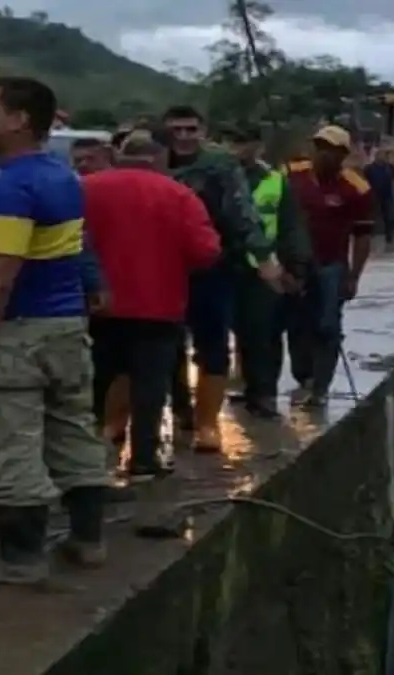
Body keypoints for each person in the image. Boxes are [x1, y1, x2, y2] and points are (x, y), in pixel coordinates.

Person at [0, 76, 109, 584]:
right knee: (72, 429)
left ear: (18, 120)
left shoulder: (10, 188)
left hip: (14, 333)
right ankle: (87, 540)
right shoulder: (58, 175)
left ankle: (20, 559)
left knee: (8, 441)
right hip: (64, 325)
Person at [83, 130, 220, 479]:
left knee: (90, 387)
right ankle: (143, 459)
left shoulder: (86, 188)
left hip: (95, 306)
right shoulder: (178, 194)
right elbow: (206, 251)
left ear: (120, 155)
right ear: (159, 158)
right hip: (158, 307)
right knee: (149, 387)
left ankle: (78, 463)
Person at [162, 105, 282, 452]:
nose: (183, 137)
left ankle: (207, 422)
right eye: (176, 130)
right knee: (165, 346)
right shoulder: (154, 162)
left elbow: (243, 212)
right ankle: (181, 411)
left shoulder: (220, 165)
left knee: (212, 344)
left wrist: (264, 258)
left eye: (190, 129)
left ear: (203, 130)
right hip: (162, 268)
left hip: (213, 265)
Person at [226, 123, 312, 418]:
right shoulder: (218, 179)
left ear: (259, 146)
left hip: (265, 269)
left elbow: (291, 226)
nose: (239, 149)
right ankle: (245, 385)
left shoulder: (276, 181)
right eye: (234, 142)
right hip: (225, 265)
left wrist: (296, 266)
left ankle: (264, 393)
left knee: (265, 332)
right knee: (235, 333)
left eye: (246, 142)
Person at [285, 126, 373, 407]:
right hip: (295, 264)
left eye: (330, 149)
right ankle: (303, 378)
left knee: (327, 326)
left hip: (331, 265)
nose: (322, 154)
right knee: (296, 324)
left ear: (342, 155)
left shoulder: (356, 188)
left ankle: (320, 387)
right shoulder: (291, 174)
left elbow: (363, 236)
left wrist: (354, 276)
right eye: (319, 146)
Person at [363, 147, 394, 245]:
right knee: (372, 216)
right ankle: (370, 235)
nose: (382, 157)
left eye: (383, 155)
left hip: (387, 195)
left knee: (388, 216)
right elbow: (364, 181)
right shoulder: (369, 168)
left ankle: (389, 236)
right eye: (380, 155)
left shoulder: (389, 167)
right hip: (374, 194)